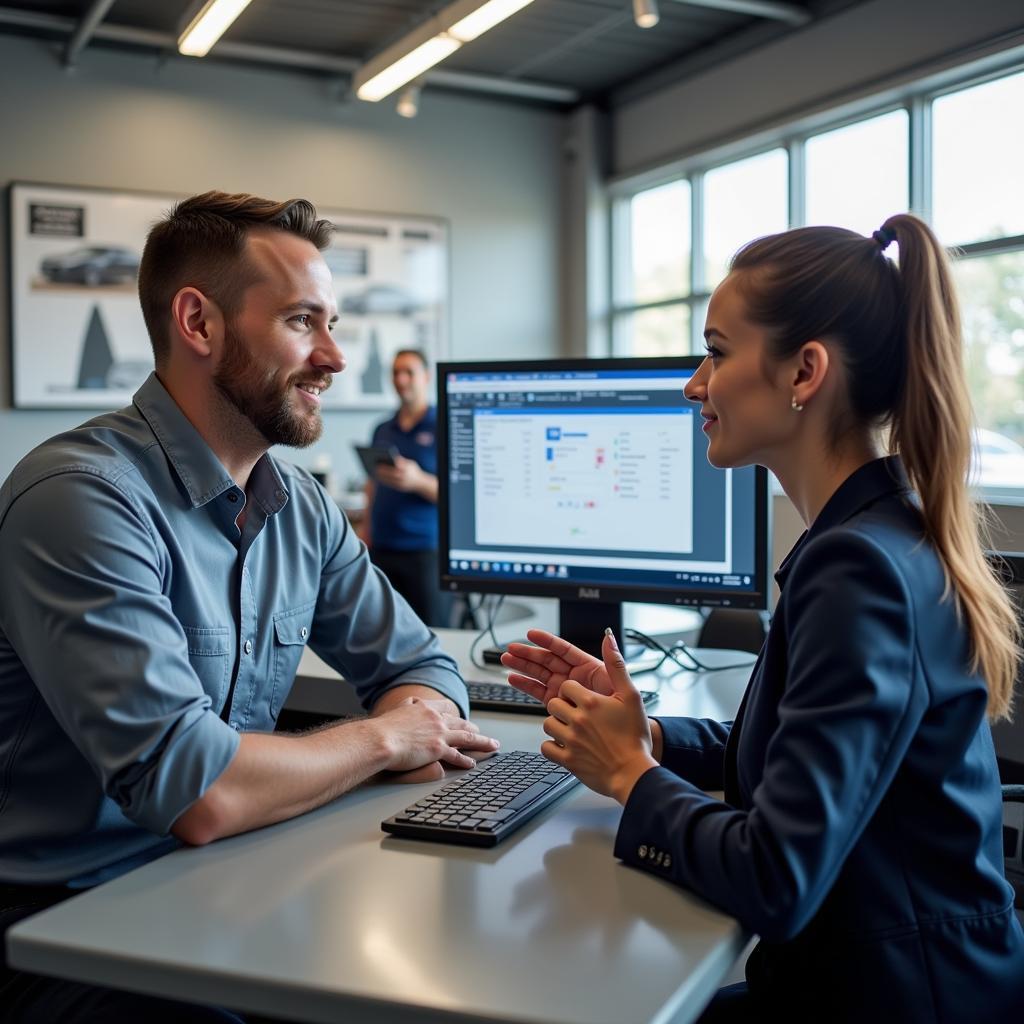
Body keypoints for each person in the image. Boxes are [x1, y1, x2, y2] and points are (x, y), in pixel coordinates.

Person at [502, 214, 1024, 1022]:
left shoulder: (856, 569)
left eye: (715, 352)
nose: (692, 385)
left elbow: (775, 880)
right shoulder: (878, 534)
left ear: (804, 372)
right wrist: (645, 736)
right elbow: (800, 752)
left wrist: (631, 776)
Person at [0, 191, 498, 1022]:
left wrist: (412, 718)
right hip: (65, 925)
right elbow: (198, 791)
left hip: (230, 881)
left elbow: (422, 664)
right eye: (304, 322)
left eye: (333, 322)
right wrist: (384, 737)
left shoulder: (298, 507)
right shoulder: (80, 500)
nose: (336, 358)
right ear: (199, 324)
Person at [360, 348, 448, 626]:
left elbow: (459, 498)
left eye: (408, 372)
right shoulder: (382, 428)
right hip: (382, 549)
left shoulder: (442, 426)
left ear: (426, 377)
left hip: (425, 553)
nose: (401, 379)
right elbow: (372, 483)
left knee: (431, 631)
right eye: (396, 373)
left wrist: (417, 480)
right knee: (382, 629)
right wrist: (365, 529)